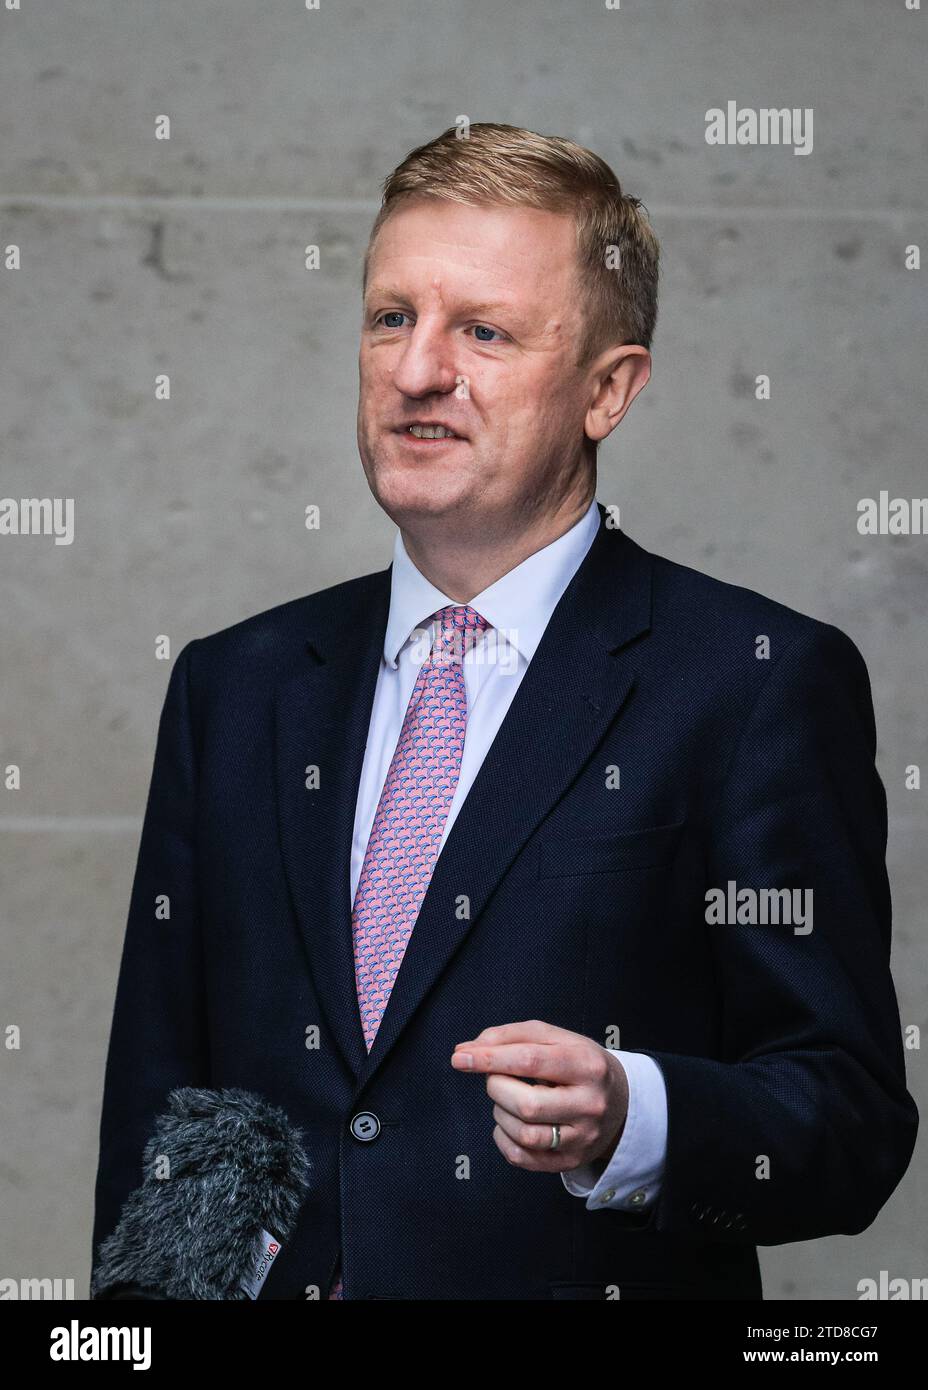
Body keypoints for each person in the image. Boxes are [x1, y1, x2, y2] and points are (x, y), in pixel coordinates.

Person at [91, 122, 917, 1300]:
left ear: (607, 389)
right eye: (392, 318)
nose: (419, 370)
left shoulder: (752, 680)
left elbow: (845, 1123)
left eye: (482, 331)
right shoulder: (236, 686)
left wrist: (635, 1112)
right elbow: (159, 1128)